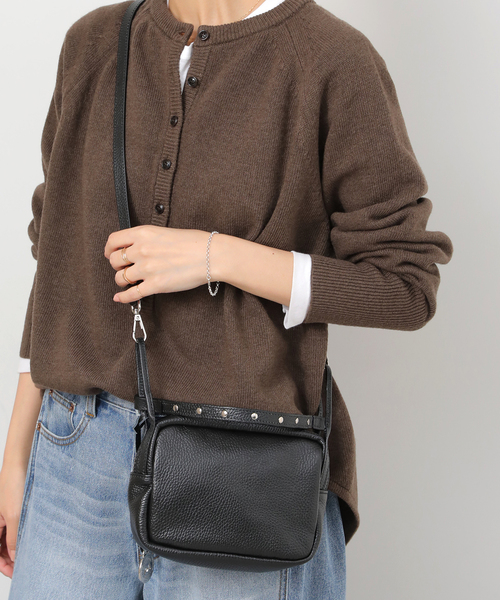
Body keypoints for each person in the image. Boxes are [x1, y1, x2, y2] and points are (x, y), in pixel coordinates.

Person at [0, 0, 454, 598]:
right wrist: (17, 454)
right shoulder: (93, 42)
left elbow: (405, 286)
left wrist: (219, 256)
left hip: (240, 460)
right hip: (75, 446)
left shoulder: (333, 60)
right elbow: (56, 252)